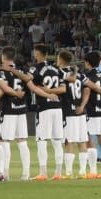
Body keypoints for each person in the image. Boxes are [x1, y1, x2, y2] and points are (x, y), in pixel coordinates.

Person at [27, 46, 71, 180]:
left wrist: (46, 92)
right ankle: (58, 173)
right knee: (57, 141)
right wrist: (52, 93)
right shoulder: (56, 70)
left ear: (38, 54)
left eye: (35, 53)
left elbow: (29, 83)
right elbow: (63, 89)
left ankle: (43, 173)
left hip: (44, 108)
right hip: (57, 107)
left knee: (42, 140)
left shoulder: (35, 69)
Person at [0, 49, 32, 183]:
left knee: (5, 141)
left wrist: (15, 93)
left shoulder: (2, 72)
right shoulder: (21, 71)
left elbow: (4, 88)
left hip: (9, 110)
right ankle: (26, 174)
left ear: (3, 58)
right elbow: (29, 79)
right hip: (21, 110)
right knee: (22, 141)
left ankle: (5, 173)